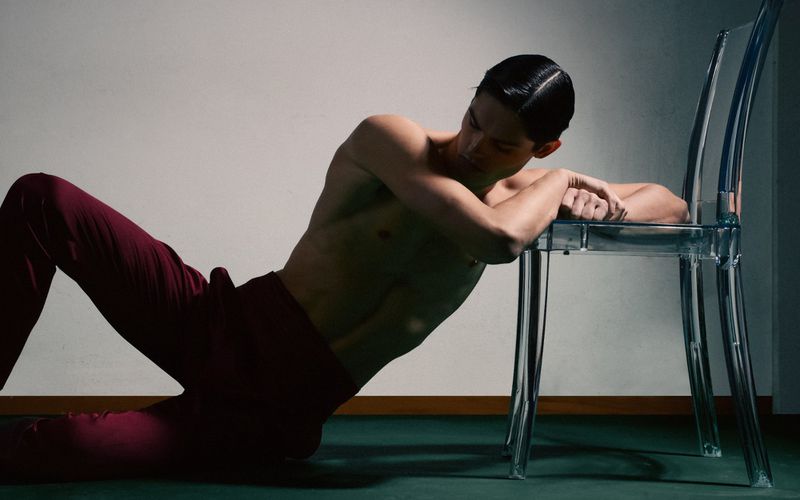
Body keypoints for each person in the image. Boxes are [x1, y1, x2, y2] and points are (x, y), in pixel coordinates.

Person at [0, 54, 689, 482]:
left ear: (543, 146)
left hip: (276, 410)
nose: (474, 146)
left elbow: (672, 204)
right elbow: (494, 241)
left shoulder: (525, 197)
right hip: (221, 322)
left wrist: (593, 197)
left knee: (47, 451)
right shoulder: (393, 140)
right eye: (473, 120)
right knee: (43, 198)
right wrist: (564, 181)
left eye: (502, 143)